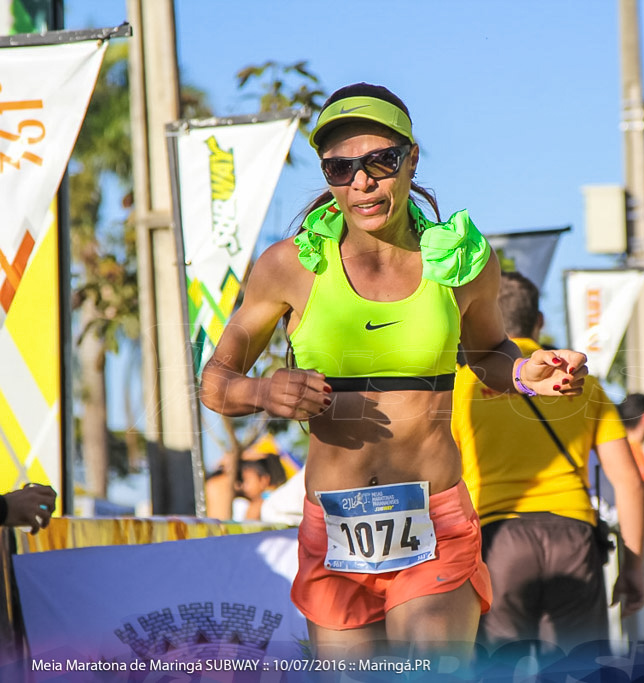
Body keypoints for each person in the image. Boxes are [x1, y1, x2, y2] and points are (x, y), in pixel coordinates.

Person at [199, 83, 588, 662]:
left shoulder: (460, 261)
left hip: (432, 520)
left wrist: (529, 371)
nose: (362, 182)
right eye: (340, 167)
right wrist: (262, 391)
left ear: (411, 159)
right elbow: (215, 381)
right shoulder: (288, 267)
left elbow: (489, 354)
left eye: (380, 161)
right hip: (336, 529)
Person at [452, 271, 644, 653]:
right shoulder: (582, 382)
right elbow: (628, 482)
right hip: (573, 536)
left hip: (497, 540)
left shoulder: (463, 384)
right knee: (579, 669)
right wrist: (633, 568)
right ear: (539, 321)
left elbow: (441, 478)